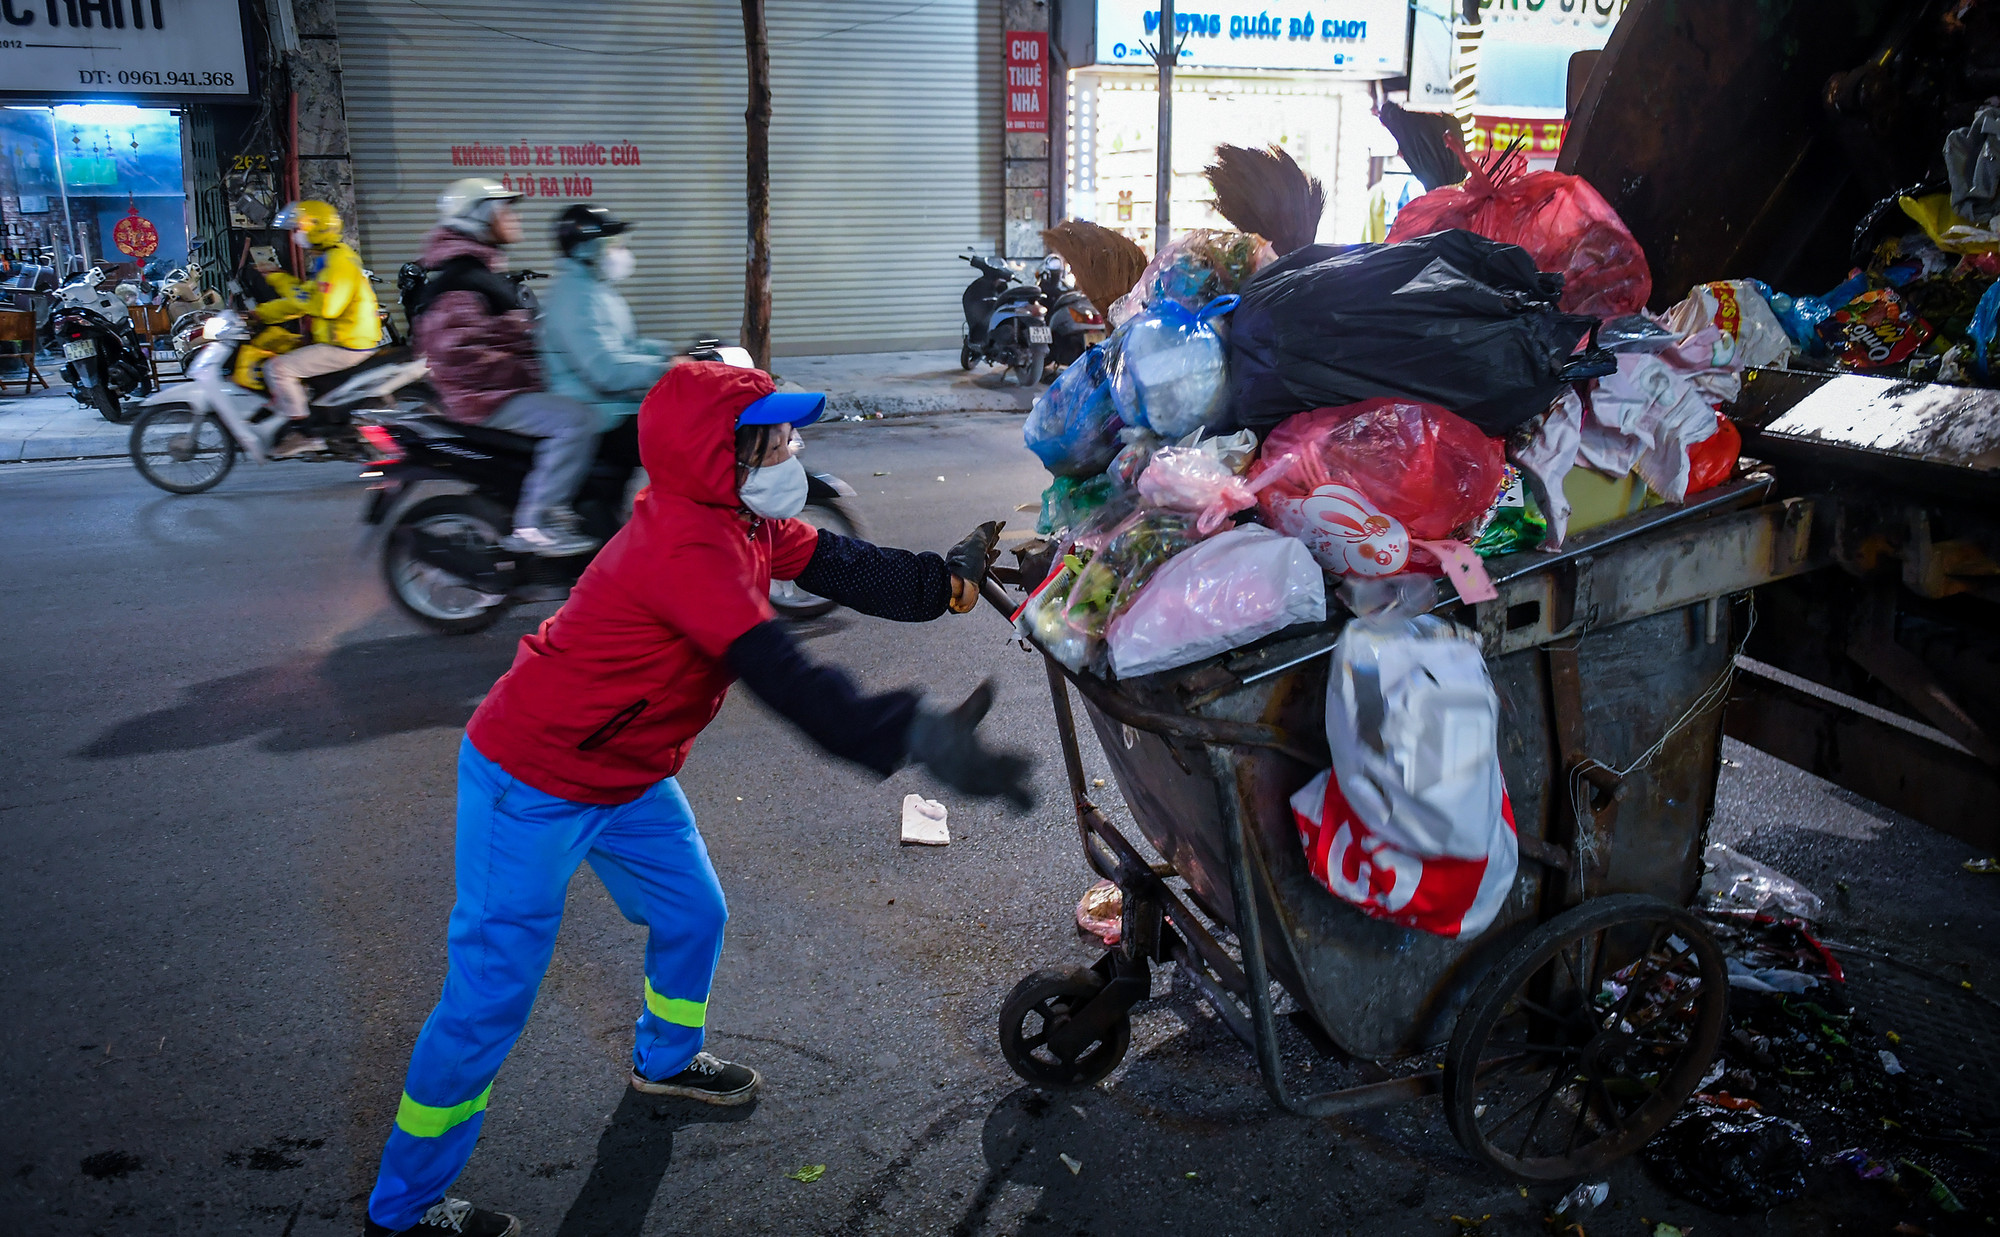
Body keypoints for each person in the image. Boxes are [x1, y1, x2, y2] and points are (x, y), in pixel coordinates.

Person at [361, 360, 1031, 1237]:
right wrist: (911, 732)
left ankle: (665, 1060)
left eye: (791, 434)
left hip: (627, 772)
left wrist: (944, 583)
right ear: (725, 456)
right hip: (531, 778)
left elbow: (844, 564)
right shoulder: (689, 545)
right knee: (490, 999)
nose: (793, 448)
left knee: (693, 913)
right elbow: (784, 675)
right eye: (778, 438)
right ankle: (402, 1208)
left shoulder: (745, 523)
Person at [413, 178, 599, 557]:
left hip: (496, 391)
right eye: (504, 209)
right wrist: (533, 370)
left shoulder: (478, 270)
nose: (513, 217)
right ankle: (535, 521)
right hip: (484, 399)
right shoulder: (461, 281)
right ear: (478, 216)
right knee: (576, 421)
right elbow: (461, 356)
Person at [255, 200, 382, 457]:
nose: (296, 235)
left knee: (277, 368)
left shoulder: (339, 262)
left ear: (317, 228)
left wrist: (279, 280)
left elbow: (324, 307)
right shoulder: (328, 260)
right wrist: (260, 314)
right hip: (339, 340)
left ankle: (305, 434)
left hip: (348, 344)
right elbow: (303, 300)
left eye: (299, 228)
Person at [539, 203, 670, 433]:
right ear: (586, 248)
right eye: (613, 245)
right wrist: (664, 369)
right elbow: (606, 370)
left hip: (616, 405)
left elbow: (624, 347)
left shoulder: (595, 289)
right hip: (597, 413)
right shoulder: (576, 297)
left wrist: (668, 354)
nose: (622, 252)